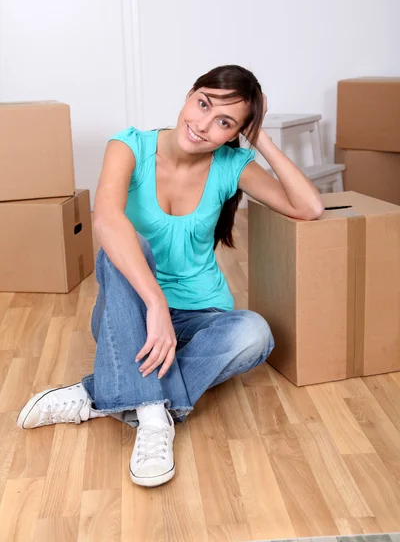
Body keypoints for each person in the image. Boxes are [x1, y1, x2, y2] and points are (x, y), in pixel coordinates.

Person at [17, 65, 324, 488]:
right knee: (125, 248)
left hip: (204, 316)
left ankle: (102, 396)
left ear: (235, 133)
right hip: (132, 317)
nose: (202, 126)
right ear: (188, 96)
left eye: (224, 123)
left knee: (254, 332)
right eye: (202, 104)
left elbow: (309, 207)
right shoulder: (130, 147)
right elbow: (105, 220)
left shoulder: (232, 164)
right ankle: (155, 421)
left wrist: (260, 138)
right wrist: (156, 304)